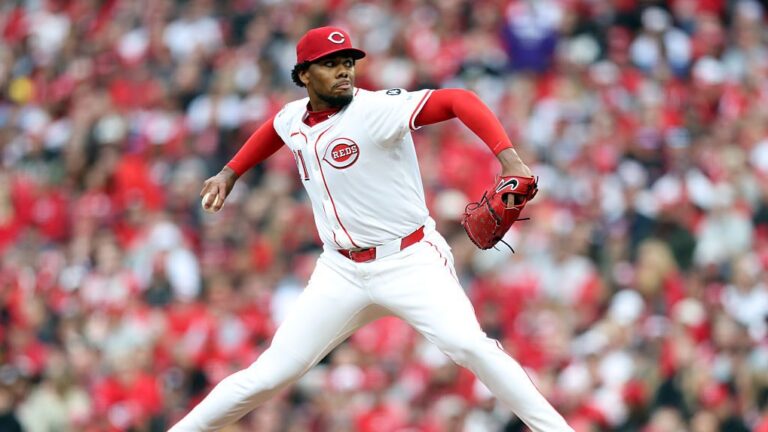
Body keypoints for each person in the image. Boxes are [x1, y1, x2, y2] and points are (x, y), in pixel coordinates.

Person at [171, 26, 573, 432]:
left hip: (409, 260)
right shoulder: (294, 117)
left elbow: (457, 99)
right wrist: (230, 172)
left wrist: (509, 158)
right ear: (304, 74)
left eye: (348, 62)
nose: (344, 70)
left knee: (470, 346)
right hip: (340, 272)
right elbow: (274, 130)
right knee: (270, 374)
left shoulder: (377, 109)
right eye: (331, 64)